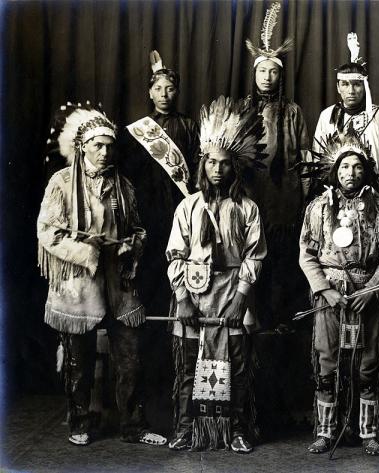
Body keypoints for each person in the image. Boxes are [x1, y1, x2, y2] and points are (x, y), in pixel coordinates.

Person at [37, 103, 167, 447]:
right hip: (78, 285)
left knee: (131, 359)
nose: (105, 151)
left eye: (110, 145)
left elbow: (138, 229)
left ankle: (134, 426)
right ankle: (80, 422)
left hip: (119, 284)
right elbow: (47, 232)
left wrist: (131, 247)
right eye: (98, 145)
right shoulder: (62, 183)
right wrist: (86, 252)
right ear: (83, 147)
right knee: (79, 362)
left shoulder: (123, 186)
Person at [166, 96, 267, 454]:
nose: (218, 170)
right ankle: (186, 428)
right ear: (203, 165)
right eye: (211, 162)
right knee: (190, 369)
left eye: (225, 164)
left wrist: (241, 297)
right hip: (194, 293)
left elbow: (255, 255)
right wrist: (182, 299)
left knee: (236, 368)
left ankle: (237, 428)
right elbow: (175, 255)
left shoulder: (247, 208)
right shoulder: (188, 207)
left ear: (235, 168)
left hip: (233, 293)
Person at [299, 127, 379, 456]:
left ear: (366, 170)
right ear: (334, 170)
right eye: (344, 167)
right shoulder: (318, 207)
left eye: (357, 166)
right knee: (327, 360)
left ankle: (369, 432)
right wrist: (325, 291)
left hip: (364, 291)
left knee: (367, 362)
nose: (350, 173)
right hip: (330, 293)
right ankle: (325, 432)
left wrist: (372, 289)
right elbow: (307, 253)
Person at [121, 51, 201, 419]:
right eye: (159, 88)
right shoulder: (139, 131)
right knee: (154, 294)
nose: (166, 94)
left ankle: (185, 380)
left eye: (171, 88)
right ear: (150, 93)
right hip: (151, 219)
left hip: (183, 215)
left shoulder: (189, 125)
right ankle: (151, 387)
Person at [244, 1, 311, 330]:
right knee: (254, 256)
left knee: (283, 258)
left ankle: (281, 319)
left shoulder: (293, 112)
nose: (267, 77)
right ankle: (253, 317)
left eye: (273, 72)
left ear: (280, 76)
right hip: (251, 194)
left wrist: (304, 195)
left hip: (284, 196)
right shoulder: (243, 110)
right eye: (262, 71)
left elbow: (304, 157)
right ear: (254, 74)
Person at [313, 33, 379, 199]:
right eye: (345, 84)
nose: (351, 91)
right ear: (338, 87)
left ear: (364, 86)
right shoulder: (327, 116)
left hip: (373, 193)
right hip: (335, 193)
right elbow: (318, 159)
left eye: (357, 84)